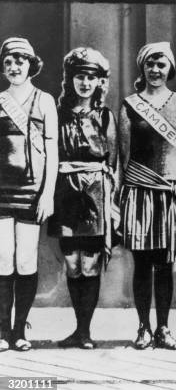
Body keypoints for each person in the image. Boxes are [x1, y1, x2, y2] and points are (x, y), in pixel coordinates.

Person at [118, 42, 176, 350]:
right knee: (142, 264)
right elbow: (123, 155)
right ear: (142, 67)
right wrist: (121, 192)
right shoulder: (129, 104)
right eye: (150, 64)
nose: (155, 70)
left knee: (165, 264)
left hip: (169, 193)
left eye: (161, 65)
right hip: (138, 191)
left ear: (170, 69)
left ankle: (163, 328)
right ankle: (143, 328)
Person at [47, 47, 116, 349]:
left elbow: (113, 162)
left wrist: (111, 202)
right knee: (72, 263)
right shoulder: (58, 114)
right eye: (79, 77)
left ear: (99, 82)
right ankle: (77, 330)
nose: (85, 83)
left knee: (90, 263)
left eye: (91, 77)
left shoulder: (104, 116)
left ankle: (86, 331)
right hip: (65, 190)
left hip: (95, 191)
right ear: (70, 80)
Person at [0, 37, 58, 351]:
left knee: (25, 261)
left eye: (20, 60)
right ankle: (1, 331)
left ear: (31, 64)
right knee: (1, 261)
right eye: (8, 61)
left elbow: (52, 151)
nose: (14, 66)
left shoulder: (45, 100)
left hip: (32, 193)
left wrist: (47, 194)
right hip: (1, 193)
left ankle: (20, 331)